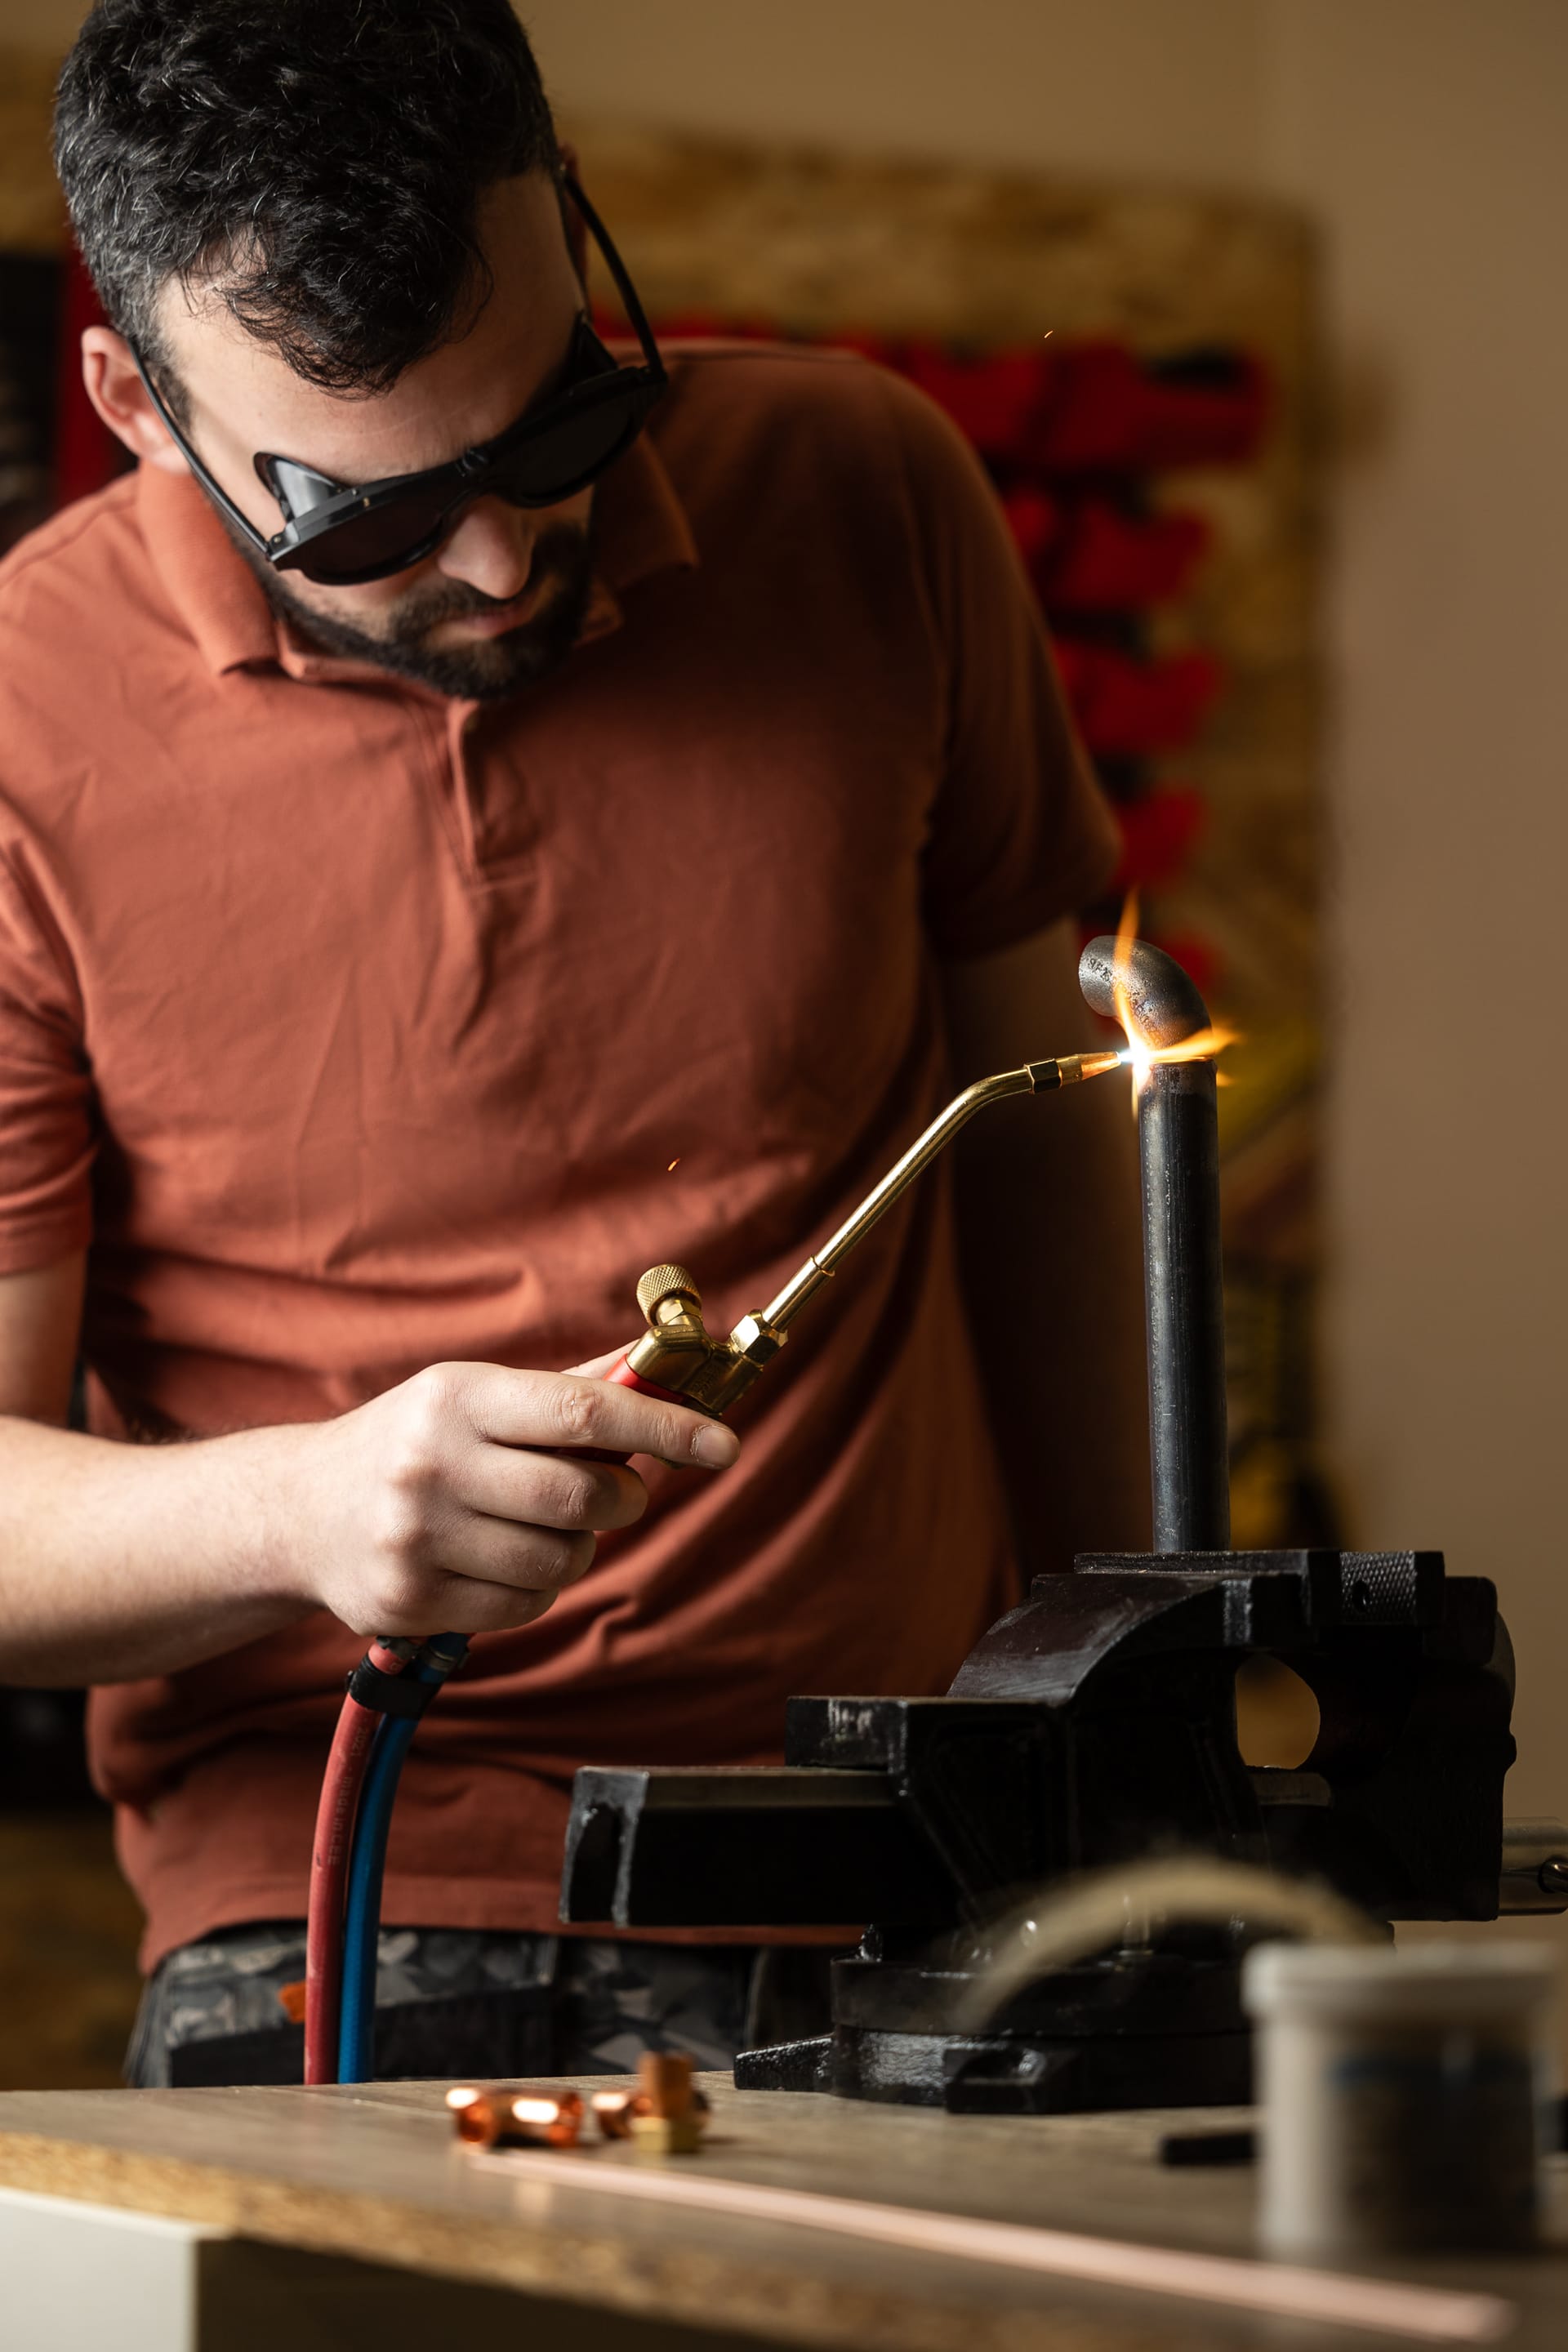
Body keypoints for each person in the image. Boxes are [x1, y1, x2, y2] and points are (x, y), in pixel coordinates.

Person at [0, 0, 1148, 2086]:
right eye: (359, 519)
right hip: (349, 1897)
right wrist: (303, 1513)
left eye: (554, 432)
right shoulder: (18, 727)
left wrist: (1115, 1708)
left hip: (918, 1849)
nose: (502, 559)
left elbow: (1044, 1173)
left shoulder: (866, 492)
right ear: (131, 402)